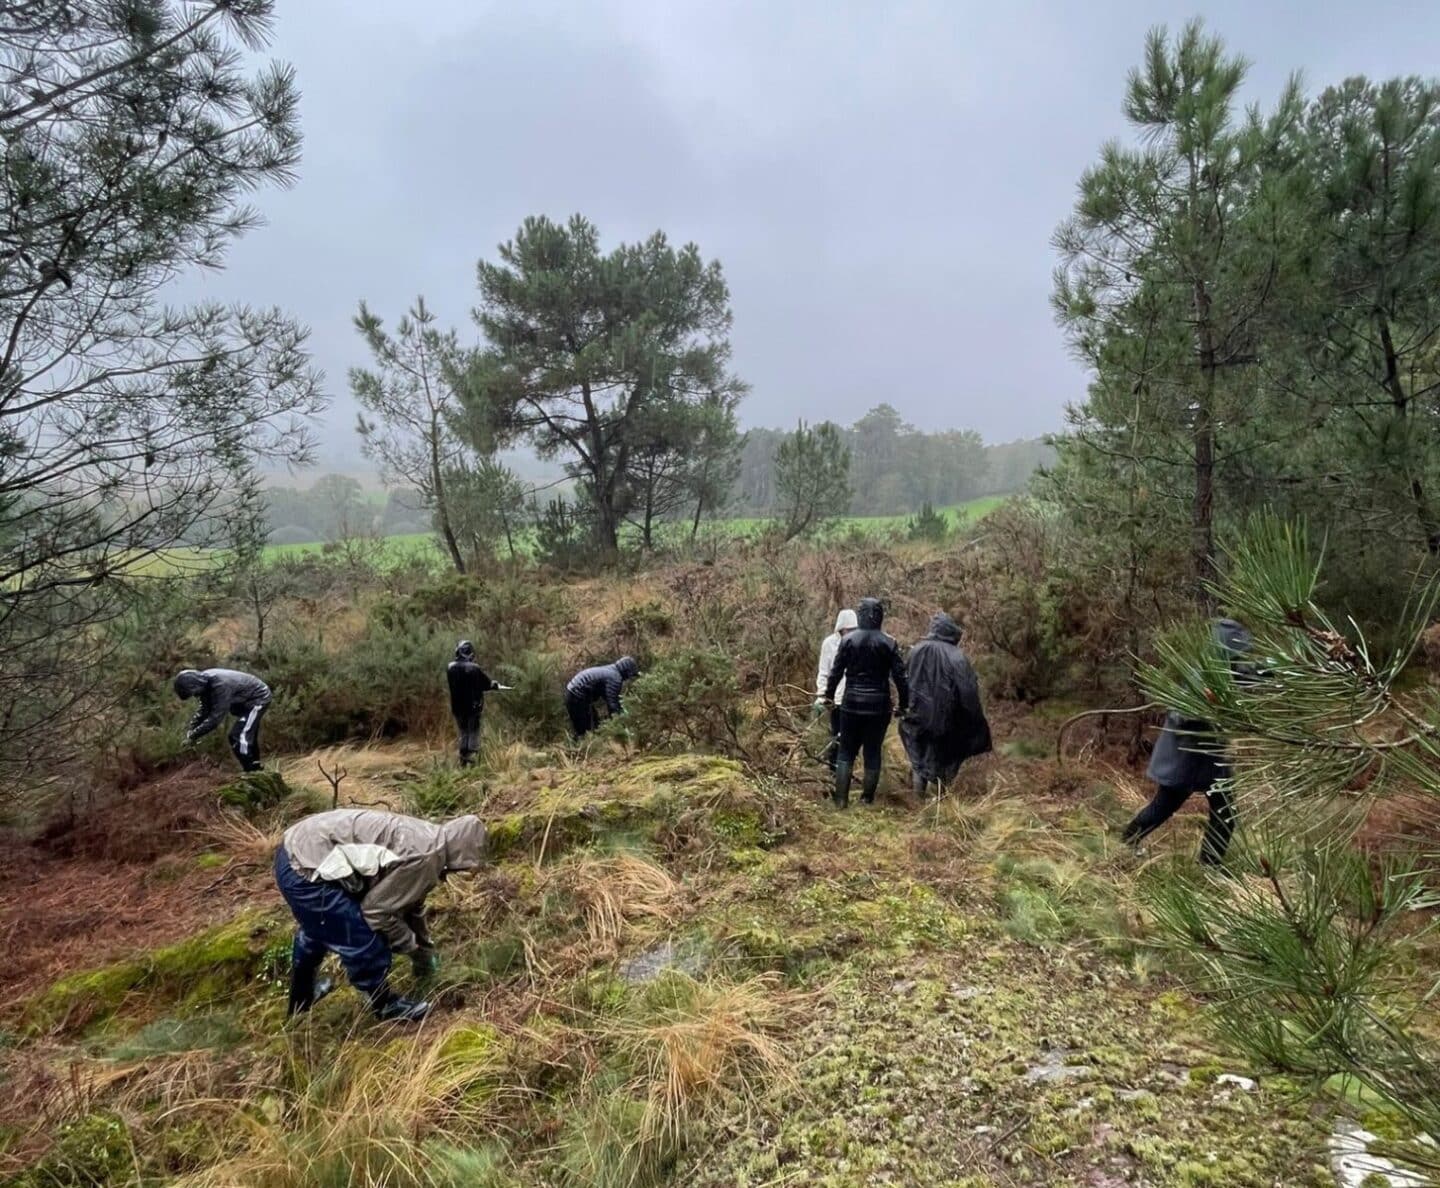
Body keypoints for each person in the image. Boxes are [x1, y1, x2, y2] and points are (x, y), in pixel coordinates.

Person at [274, 807, 488, 1022]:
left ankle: (301, 1000)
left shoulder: (431, 838)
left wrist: (425, 951)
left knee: (321, 929)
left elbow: (410, 905)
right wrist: (411, 948)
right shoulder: (427, 858)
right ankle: (384, 1005)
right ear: (461, 855)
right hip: (304, 866)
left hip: (297, 847)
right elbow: (377, 911)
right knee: (361, 936)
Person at [1122, 618, 1255, 866]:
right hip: (1185, 759)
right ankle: (1129, 839)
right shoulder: (1200, 676)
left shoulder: (1231, 671)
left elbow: (1255, 674)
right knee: (1163, 807)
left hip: (1211, 760)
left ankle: (1210, 864)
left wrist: (1287, 668)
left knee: (1225, 812)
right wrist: (1207, 706)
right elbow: (1180, 713)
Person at [824, 598, 909, 808]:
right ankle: (866, 799)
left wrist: (828, 696)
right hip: (879, 706)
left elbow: (835, 673)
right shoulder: (889, 642)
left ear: (860, 615)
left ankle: (841, 800)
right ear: (880, 616)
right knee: (872, 751)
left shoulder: (848, 641)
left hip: (851, 703)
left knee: (846, 751)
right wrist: (904, 705)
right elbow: (901, 678)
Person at [899, 613, 992, 798]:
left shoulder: (915, 651)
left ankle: (918, 800)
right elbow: (968, 691)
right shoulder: (957, 656)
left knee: (919, 758)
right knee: (946, 758)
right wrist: (974, 718)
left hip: (916, 716)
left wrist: (904, 707)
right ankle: (942, 800)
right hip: (946, 720)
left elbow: (904, 681)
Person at [174, 667, 272, 772]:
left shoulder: (220, 685)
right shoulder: (205, 684)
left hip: (257, 699)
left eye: (194, 693)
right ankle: (255, 766)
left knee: (238, 736)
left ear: (196, 685)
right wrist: (191, 730)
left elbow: (215, 718)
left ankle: (252, 772)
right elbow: (204, 710)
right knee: (246, 735)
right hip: (243, 701)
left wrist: (193, 736)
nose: (195, 695)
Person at [814, 609, 859, 771]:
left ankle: (847, 771)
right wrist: (822, 695)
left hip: (855, 699)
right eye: (849, 629)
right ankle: (834, 773)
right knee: (837, 737)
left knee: (852, 740)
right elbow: (824, 671)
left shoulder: (859, 642)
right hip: (837, 701)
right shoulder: (829, 644)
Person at [447, 640, 499, 767]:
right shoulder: (474, 668)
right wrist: (494, 685)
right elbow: (487, 684)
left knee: (463, 732)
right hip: (473, 706)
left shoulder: (450, 668)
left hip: (457, 707)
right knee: (473, 732)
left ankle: (463, 760)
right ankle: (473, 759)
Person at [564, 656, 640, 738]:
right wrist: (619, 722)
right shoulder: (615, 677)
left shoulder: (610, 670)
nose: (628, 678)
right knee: (588, 729)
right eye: (630, 675)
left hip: (572, 693)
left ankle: (581, 744)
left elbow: (609, 698)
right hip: (577, 696)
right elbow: (613, 704)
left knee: (591, 725)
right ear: (626, 671)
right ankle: (587, 746)